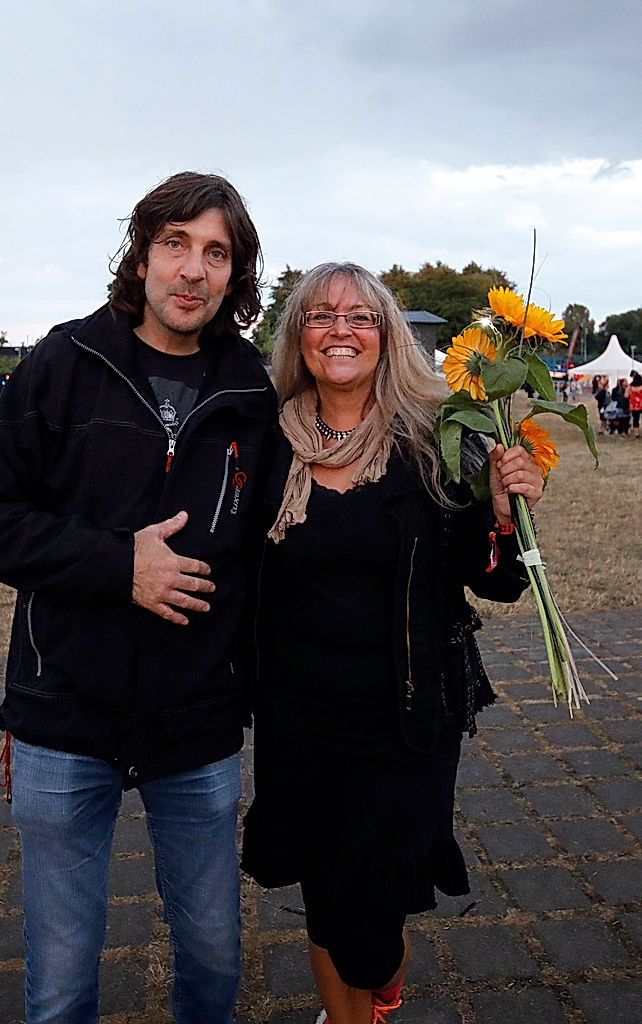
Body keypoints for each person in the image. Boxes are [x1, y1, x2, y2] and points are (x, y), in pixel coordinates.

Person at [0, 171, 278, 1024]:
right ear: (140, 258)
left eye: (216, 253)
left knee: (214, 954)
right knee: (61, 980)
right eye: (175, 244)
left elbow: (297, 535)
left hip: (198, 721)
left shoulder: (253, 392)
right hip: (64, 713)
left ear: (235, 275)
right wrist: (116, 565)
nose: (193, 269)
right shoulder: (66, 362)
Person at [240, 263, 544, 1024]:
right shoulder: (265, 444)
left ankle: (381, 990)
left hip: (405, 722)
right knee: (322, 891)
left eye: (360, 317)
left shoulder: (437, 441)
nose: (340, 330)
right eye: (320, 315)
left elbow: (496, 581)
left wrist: (504, 515)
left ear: (387, 337)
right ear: (298, 337)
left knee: (371, 929)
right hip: (298, 721)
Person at [627, 370, 642, 438]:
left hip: (634, 405)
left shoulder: (630, 386)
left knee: (636, 419)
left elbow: (626, 395)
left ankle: (636, 432)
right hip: (641, 404)